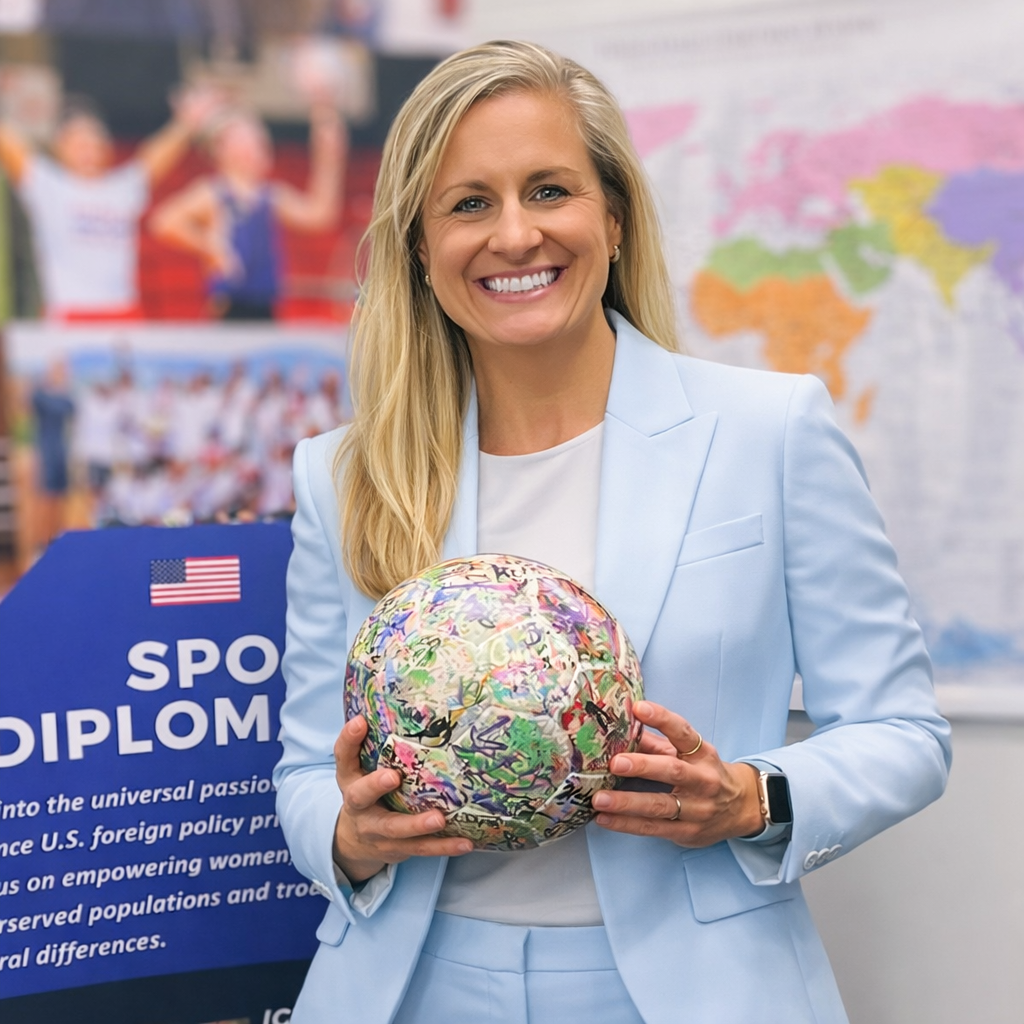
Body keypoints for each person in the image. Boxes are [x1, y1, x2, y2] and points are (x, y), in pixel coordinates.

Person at [273, 41, 952, 1023]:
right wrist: (347, 837)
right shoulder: (344, 475)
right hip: (411, 988)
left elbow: (903, 735)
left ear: (615, 218)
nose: (515, 234)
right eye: (468, 203)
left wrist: (751, 797)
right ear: (419, 248)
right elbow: (304, 771)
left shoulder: (771, 431)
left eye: (548, 189)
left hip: (692, 993)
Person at [0, 89, 221, 318]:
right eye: (78, 144)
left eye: (94, 144)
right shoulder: (47, 185)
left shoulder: (121, 188)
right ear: (60, 148)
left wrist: (186, 123)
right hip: (71, 314)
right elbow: (10, 145)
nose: (88, 151)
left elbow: (154, 157)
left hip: (123, 313)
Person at [149, 105, 345, 320]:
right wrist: (211, 248)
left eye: (258, 138)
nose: (256, 143)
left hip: (266, 306)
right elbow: (163, 221)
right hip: (229, 307)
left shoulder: (269, 195)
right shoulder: (214, 193)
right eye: (245, 138)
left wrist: (329, 159)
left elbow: (319, 215)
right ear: (221, 148)